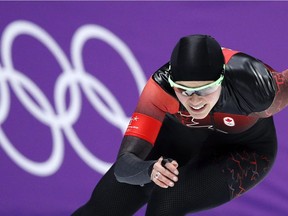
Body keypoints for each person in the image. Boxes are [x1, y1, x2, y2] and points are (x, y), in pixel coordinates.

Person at [72, 34, 288, 216]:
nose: (194, 101)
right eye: (183, 90)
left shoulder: (255, 86)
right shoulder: (159, 89)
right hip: (178, 141)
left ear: (222, 80)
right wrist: (150, 170)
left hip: (244, 151)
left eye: (205, 90)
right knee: (103, 207)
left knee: (166, 203)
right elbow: (124, 167)